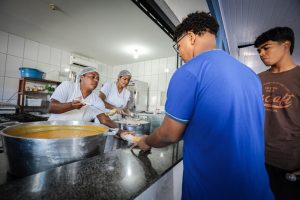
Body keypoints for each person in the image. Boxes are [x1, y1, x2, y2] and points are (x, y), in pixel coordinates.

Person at [135, 11, 274, 199]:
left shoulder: (189, 71)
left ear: (190, 37)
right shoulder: (250, 75)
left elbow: (169, 134)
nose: (181, 53)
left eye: (179, 46)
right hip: (258, 189)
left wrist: (146, 141)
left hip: (212, 189)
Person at [254, 27, 300, 200]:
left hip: (292, 165)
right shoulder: (256, 79)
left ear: (286, 45)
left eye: (266, 47)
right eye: (259, 50)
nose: (261, 53)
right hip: (261, 160)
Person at [48, 66, 117, 128]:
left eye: (97, 78)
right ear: (82, 77)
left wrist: (121, 132)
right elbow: (52, 107)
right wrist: (71, 106)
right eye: (92, 77)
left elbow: (105, 120)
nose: (96, 80)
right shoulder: (68, 86)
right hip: (54, 129)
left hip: (76, 135)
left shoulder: (97, 100)